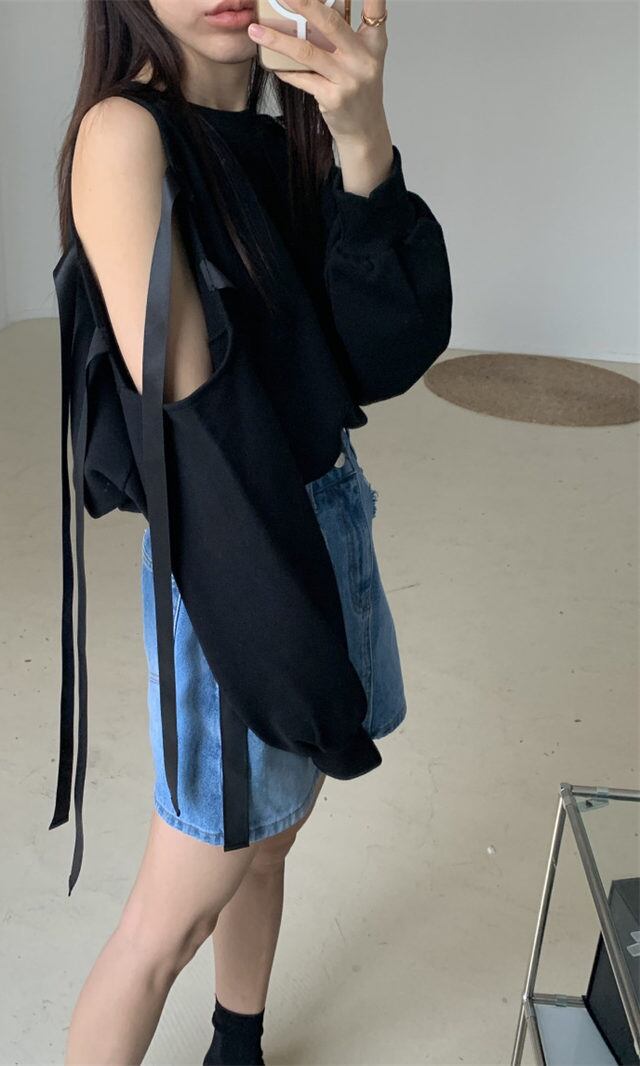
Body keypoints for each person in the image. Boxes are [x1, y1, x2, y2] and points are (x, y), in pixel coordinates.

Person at [51, 1, 452, 1062]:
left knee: (267, 846)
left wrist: (362, 136)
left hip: (329, 510)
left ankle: (237, 1044)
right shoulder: (127, 135)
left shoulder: (283, 140)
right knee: (168, 919)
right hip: (239, 558)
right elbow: (207, 444)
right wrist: (287, 650)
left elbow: (382, 356)